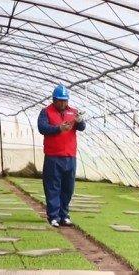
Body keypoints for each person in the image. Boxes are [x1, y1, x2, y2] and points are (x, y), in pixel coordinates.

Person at [37, 84, 86, 227]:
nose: (63, 103)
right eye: (60, 100)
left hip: (70, 156)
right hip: (53, 156)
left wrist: (80, 121)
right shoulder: (46, 112)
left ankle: (64, 215)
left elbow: (82, 128)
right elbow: (42, 128)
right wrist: (59, 128)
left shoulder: (73, 112)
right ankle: (53, 216)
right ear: (54, 100)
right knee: (53, 187)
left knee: (68, 187)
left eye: (65, 100)